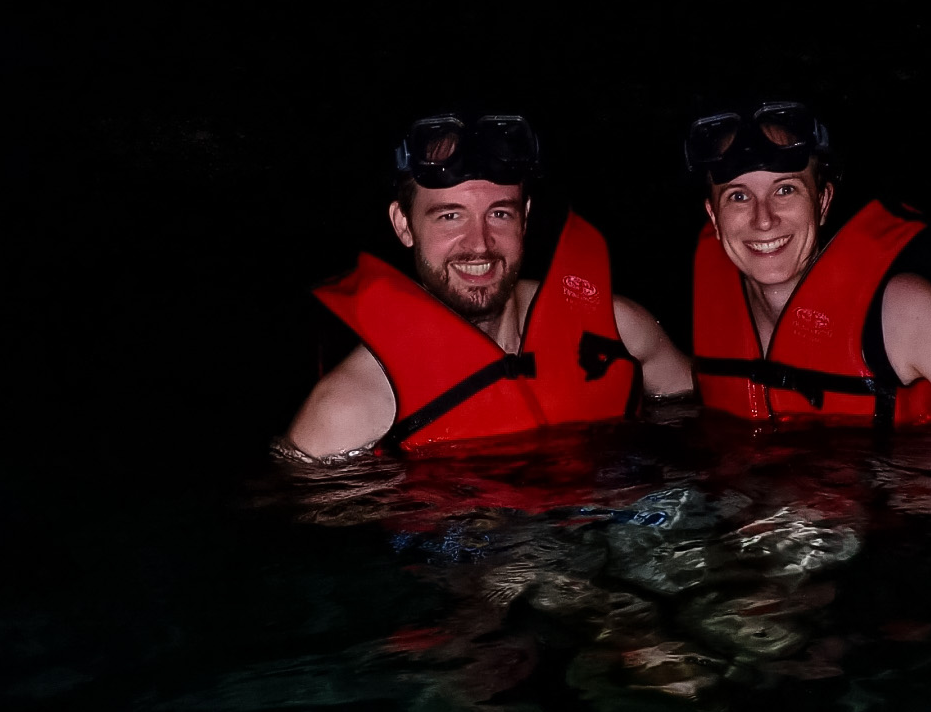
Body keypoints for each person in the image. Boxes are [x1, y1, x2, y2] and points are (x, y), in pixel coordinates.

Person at [285, 112, 692, 457]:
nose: (479, 244)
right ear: (403, 224)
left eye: (499, 214)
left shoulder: (621, 330)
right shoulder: (346, 409)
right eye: (450, 216)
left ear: (525, 218)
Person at [685, 101, 931, 423]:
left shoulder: (915, 316)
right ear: (713, 216)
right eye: (738, 196)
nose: (764, 219)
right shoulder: (707, 309)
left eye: (785, 190)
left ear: (823, 201)